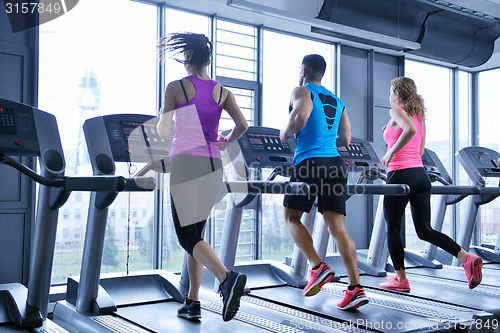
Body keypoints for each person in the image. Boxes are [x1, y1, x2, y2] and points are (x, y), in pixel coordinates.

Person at [156, 32, 249, 321]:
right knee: (196, 236)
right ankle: (192, 301)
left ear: (187, 59)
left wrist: (167, 121)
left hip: (185, 163)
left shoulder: (176, 88)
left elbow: (161, 131)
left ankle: (226, 279)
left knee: (187, 237)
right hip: (212, 166)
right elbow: (242, 125)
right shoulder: (222, 92)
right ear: (208, 60)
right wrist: (224, 141)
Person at [280, 54, 368, 311]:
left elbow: (301, 117)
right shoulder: (337, 100)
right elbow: (346, 138)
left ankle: (317, 267)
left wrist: (285, 132)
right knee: (337, 226)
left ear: (304, 70)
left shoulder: (302, 90)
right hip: (335, 164)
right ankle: (355, 287)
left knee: (291, 217)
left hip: (310, 162)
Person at [380, 76, 483, 291]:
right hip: (420, 175)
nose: (389, 96)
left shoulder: (396, 111)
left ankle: (400, 280)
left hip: (400, 174)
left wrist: (390, 152)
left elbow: (410, 131)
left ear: (398, 94)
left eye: (391, 92)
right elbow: (420, 150)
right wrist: (392, 138)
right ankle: (467, 258)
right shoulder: (418, 115)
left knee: (392, 228)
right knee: (425, 230)